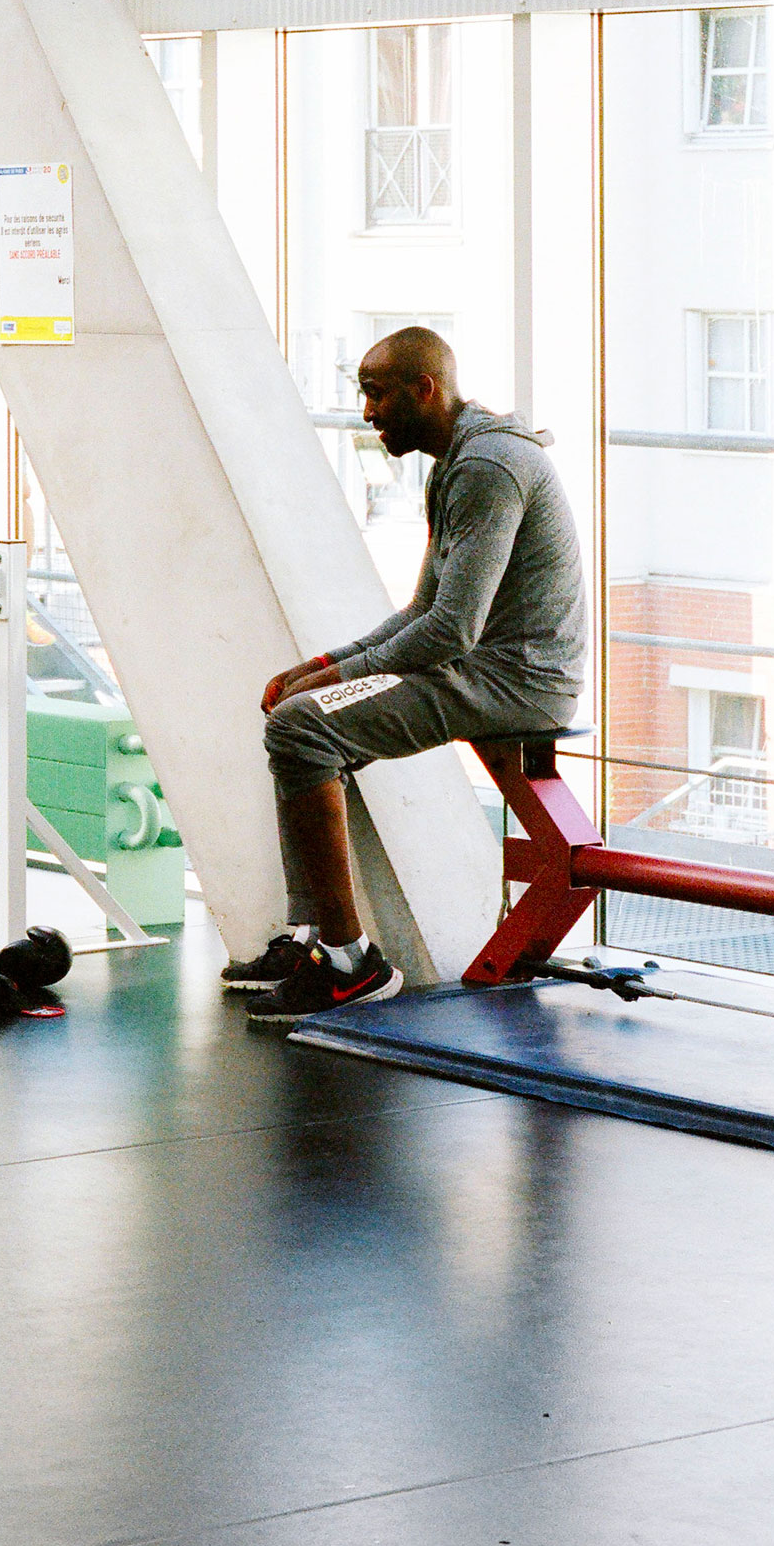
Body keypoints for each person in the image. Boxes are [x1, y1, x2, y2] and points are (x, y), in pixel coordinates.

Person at [229, 324, 587, 1025]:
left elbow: (452, 631)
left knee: (302, 727)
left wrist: (335, 678)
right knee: (302, 721)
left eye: (376, 393)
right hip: (487, 667)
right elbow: (424, 608)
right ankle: (317, 942)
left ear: (425, 388)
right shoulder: (460, 461)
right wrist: (323, 665)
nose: (366, 411)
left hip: (517, 681)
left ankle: (348, 966)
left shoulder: (488, 467)